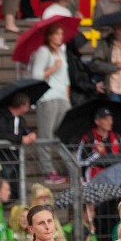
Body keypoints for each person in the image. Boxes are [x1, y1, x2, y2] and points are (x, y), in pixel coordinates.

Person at [30, 23, 72, 184]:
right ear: (49, 36)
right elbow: (36, 75)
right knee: (46, 135)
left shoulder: (61, 52)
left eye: (61, 33)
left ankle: (67, 166)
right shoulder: (43, 51)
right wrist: (53, 68)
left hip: (62, 97)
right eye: (57, 34)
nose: (60, 36)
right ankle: (48, 170)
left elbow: (66, 79)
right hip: (47, 96)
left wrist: (67, 100)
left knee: (64, 134)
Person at [76, 107, 121, 181]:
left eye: (111, 119)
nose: (109, 122)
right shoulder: (88, 138)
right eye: (106, 119)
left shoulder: (117, 137)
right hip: (94, 178)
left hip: (115, 175)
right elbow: (80, 162)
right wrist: (96, 154)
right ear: (97, 121)